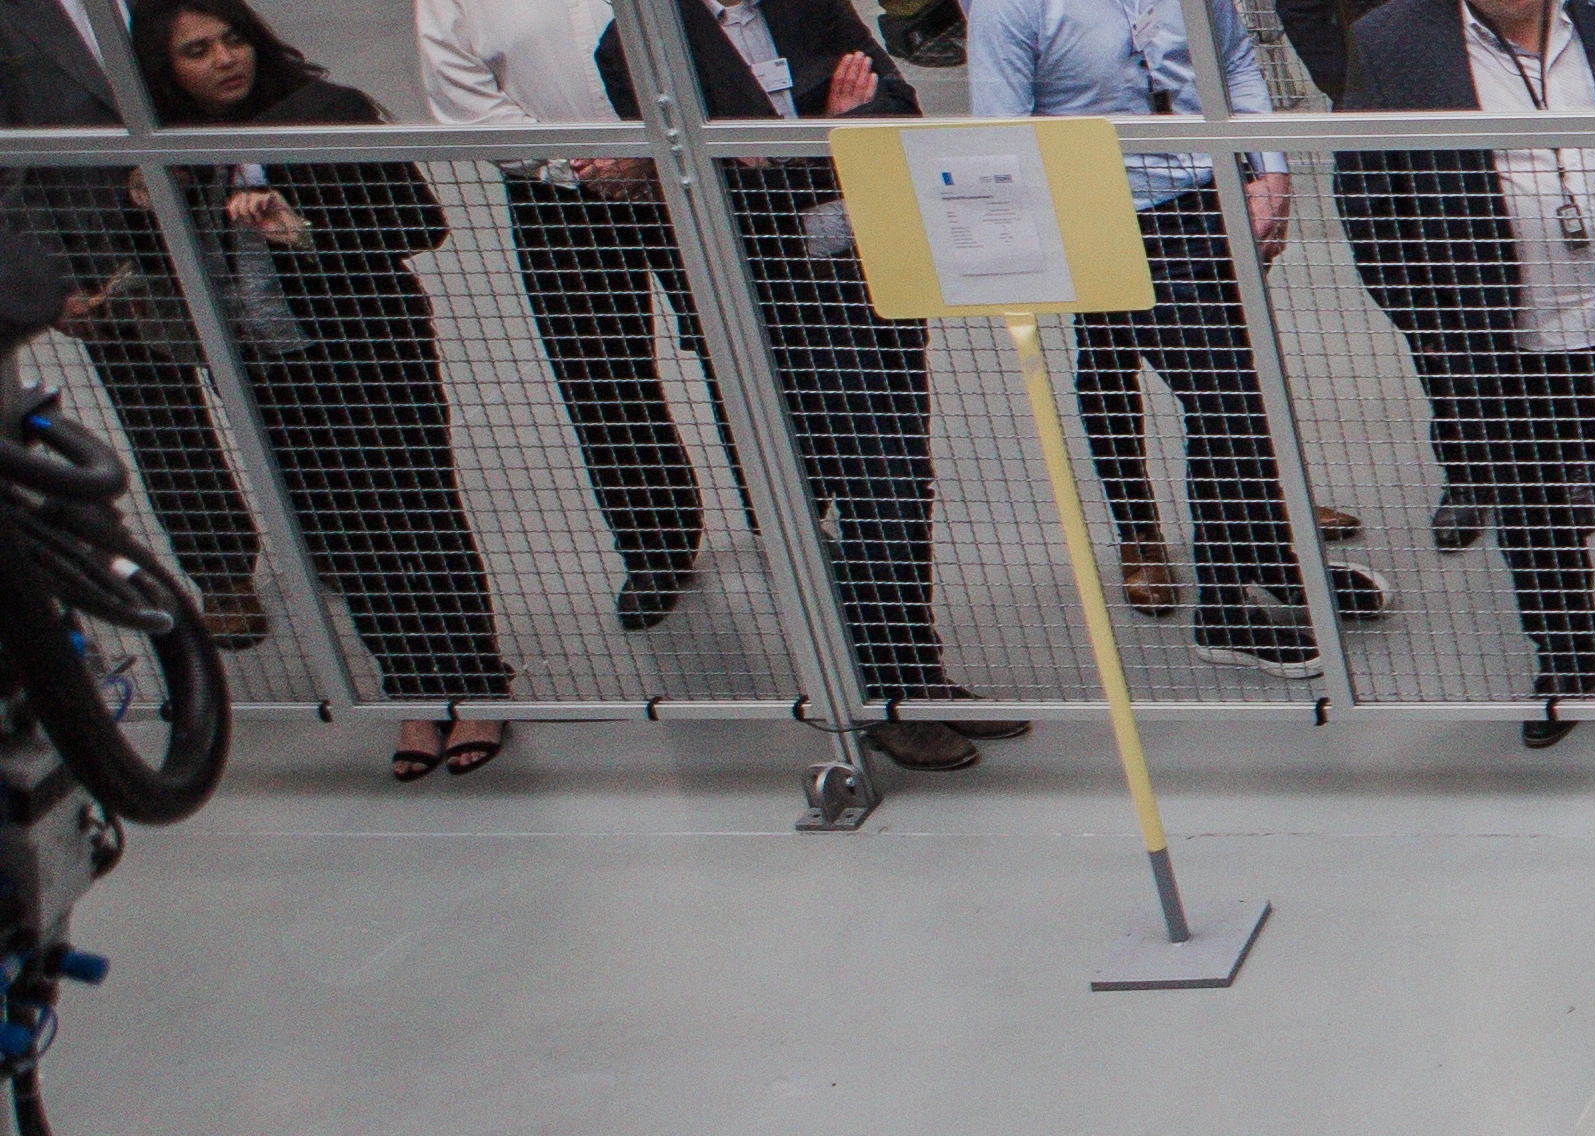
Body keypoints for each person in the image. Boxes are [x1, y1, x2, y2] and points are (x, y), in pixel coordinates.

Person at [607, 0, 1027, 773]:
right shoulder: (638, 43)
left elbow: (895, 106)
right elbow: (708, 183)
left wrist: (795, 149)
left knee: (899, 487)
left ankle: (917, 681)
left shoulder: (811, 5)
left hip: (869, 289)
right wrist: (828, 133)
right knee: (834, 500)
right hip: (762, 313)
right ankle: (874, 691)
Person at [1338, 0, 1595, 747]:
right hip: (1502, 336)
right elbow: (1369, 197)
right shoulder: (1390, 43)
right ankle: (1565, 655)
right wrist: (1432, 324)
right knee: (1530, 511)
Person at [973, 0, 1397, 680]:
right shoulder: (1014, 9)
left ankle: (1272, 563)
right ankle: (1223, 611)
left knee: (1243, 394)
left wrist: (1269, 170)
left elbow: (1233, 61)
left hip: (1209, 198)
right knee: (1224, 397)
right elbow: (1000, 136)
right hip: (1108, 221)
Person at [139, 0, 508, 777]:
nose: (223, 60)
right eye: (197, 51)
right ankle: (408, 689)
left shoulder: (325, 112)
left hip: (370, 357)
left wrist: (298, 231)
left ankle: (476, 684)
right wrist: (147, 212)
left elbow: (417, 223)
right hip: (266, 372)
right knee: (342, 531)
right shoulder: (169, 151)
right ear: (165, 71)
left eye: (232, 39)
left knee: (419, 511)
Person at [425, 0, 743, 633]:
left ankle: (794, 513)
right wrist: (576, 164)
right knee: (601, 377)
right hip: (560, 198)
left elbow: (725, 24)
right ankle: (656, 545)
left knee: (740, 347)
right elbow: (462, 95)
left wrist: (657, 141)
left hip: (689, 167)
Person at [0, 0, 262, 647]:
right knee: (161, 421)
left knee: (281, 398)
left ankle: (335, 540)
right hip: (103, 257)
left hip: (223, 222)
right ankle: (222, 571)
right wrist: (55, 276)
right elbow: (9, 161)